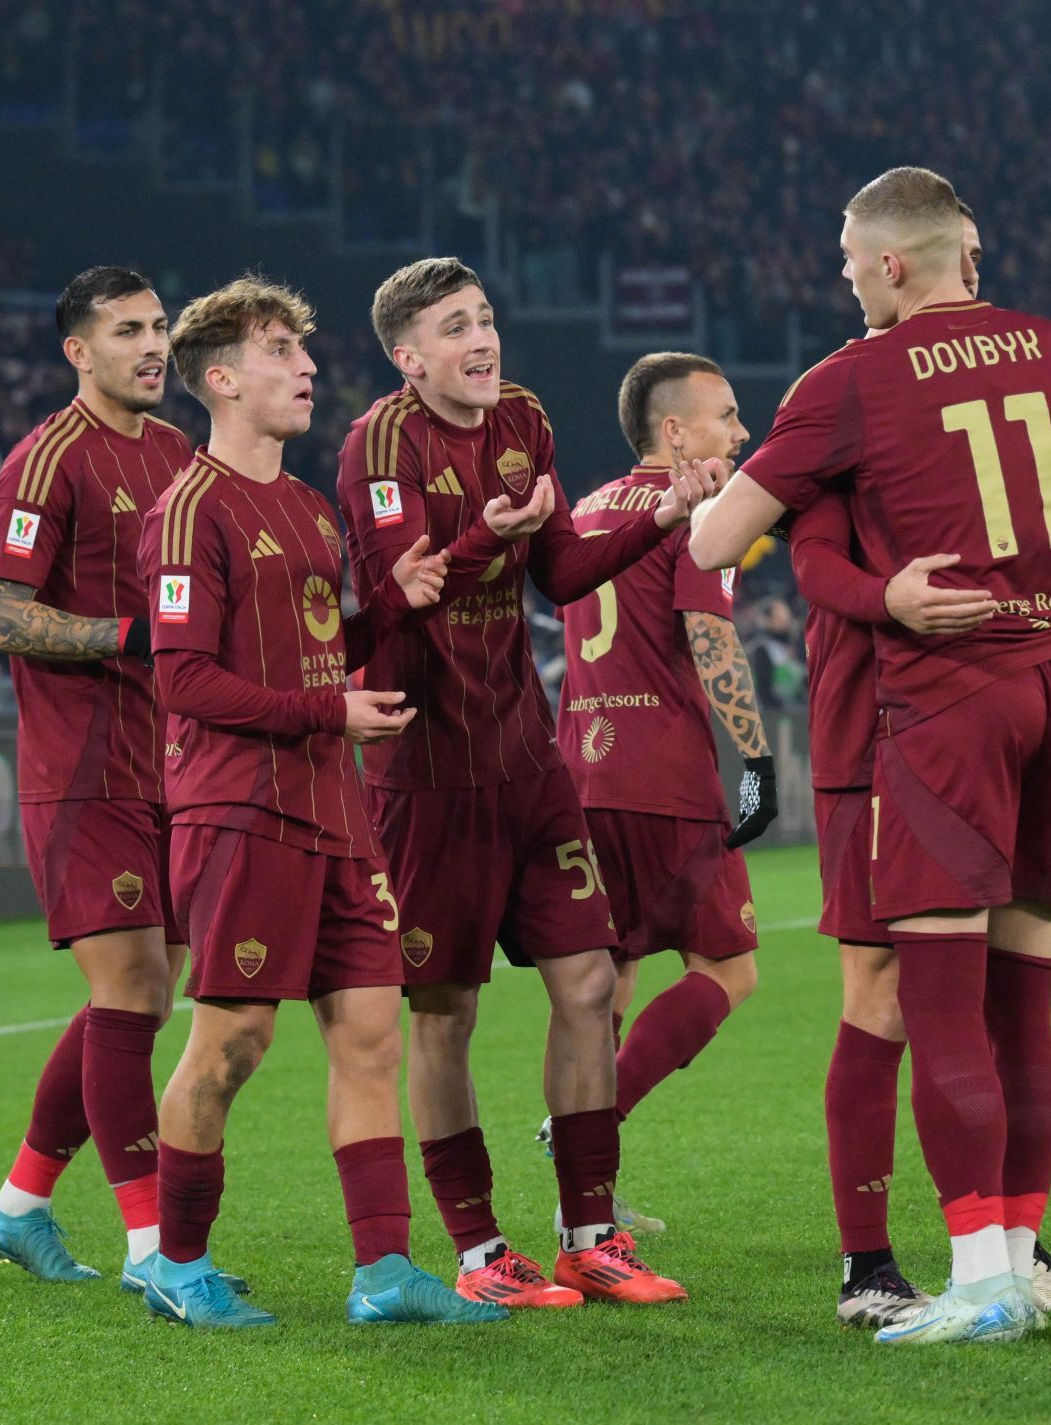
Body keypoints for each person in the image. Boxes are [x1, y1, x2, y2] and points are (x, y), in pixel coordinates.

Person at [688, 166, 1051, 1346]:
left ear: (888, 263)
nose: (841, 278)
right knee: (1025, 1003)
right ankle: (1021, 1260)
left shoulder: (849, 381)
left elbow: (719, 538)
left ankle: (975, 1280)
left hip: (948, 708)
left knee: (934, 1003)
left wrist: (806, 522)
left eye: (843, 258)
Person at [336, 257, 712, 1310]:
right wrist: (471, 540)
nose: (483, 339)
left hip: (525, 756)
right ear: (410, 359)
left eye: (487, 317)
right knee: (445, 1010)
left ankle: (592, 1231)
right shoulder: (379, 442)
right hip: (426, 769)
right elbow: (397, 593)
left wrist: (659, 519)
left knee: (589, 982)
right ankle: (475, 1248)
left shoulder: (526, 422)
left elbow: (553, 574)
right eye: (456, 328)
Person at [133, 275, 500, 1329]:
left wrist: (395, 602)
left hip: (338, 815)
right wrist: (327, 714)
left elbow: (315, 650)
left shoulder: (304, 508)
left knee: (373, 1039)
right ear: (221, 379)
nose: (305, 368)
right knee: (231, 1046)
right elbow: (184, 681)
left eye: (303, 349)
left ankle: (384, 1272)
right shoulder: (187, 511)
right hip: (239, 814)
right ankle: (176, 1259)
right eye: (281, 352)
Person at [785, 210, 1051, 1328]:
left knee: (1000, 998)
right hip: (866, 733)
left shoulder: (892, 391)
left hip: (959, 715)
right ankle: (870, 1262)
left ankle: (1009, 1252)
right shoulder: (838, 398)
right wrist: (889, 599)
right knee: (885, 999)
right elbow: (803, 552)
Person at [0, 266, 198, 1290]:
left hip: (171, 763)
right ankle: (152, 1247)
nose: (152, 347)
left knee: (142, 998)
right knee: (135, 989)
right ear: (79, 351)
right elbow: (0, 612)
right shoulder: (46, 463)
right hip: (81, 770)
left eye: (158, 328)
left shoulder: (177, 452)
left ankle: (20, 1203)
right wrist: (131, 636)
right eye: (126, 332)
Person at [546, 352, 775, 1226]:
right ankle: (589, 1134)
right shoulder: (701, 510)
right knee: (729, 966)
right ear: (674, 432)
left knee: (605, 983)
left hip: (584, 772)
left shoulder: (589, 508)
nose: (741, 431)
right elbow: (709, 636)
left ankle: (586, 1202)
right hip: (665, 779)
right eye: (725, 415)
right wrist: (754, 760)